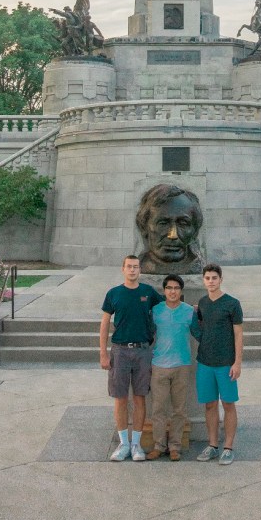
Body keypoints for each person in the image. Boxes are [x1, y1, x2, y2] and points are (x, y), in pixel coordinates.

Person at [100, 254, 163, 462]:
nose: (133, 270)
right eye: (129, 266)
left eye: (136, 267)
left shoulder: (148, 292)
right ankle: (123, 443)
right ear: (123, 269)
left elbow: (168, 307)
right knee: (120, 398)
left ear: (140, 270)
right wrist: (103, 352)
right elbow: (105, 323)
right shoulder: (114, 293)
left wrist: (195, 309)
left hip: (143, 351)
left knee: (139, 397)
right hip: (120, 351)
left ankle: (136, 444)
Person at [191, 263, 243, 466]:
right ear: (203, 281)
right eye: (207, 278)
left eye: (214, 278)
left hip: (226, 363)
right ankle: (213, 445)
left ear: (221, 279)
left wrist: (237, 363)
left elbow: (238, 335)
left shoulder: (232, 304)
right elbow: (201, 325)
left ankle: (228, 447)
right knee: (210, 405)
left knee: (228, 404)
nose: (211, 281)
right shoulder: (202, 303)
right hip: (205, 362)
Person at [146, 273, 195, 462]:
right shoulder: (156, 311)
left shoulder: (189, 311)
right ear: (164, 290)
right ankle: (159, 445)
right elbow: (147, 333)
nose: (173, 291)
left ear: (181, 291)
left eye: (176, 288)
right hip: (159, 365)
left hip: (182, 365)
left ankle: (175, 446)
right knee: (158, 409)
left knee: (179, 410)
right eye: (169, 288)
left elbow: (199, 333)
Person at [136, 183, 203, 273]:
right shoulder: (136, 267)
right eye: (163, 223)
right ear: (143, 227)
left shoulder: (198, 267)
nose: (173, 235)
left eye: (182, 223)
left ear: (195, 231)